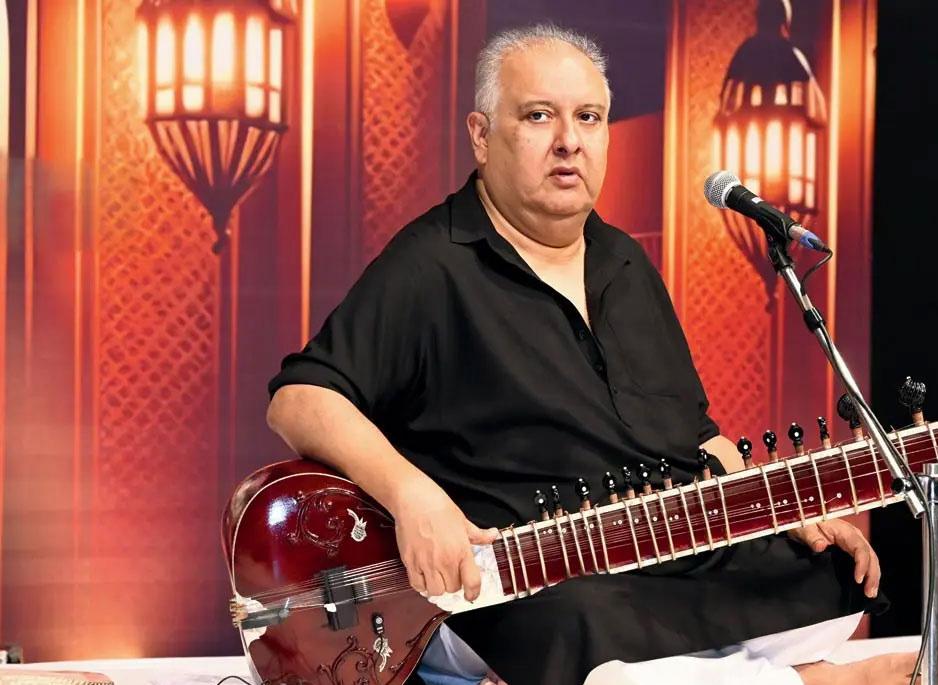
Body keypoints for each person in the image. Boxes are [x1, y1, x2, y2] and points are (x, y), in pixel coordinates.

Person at [266, 24, 914, 685]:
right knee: (584, 628)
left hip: (657, 560)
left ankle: (709, 671)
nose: (569, 140)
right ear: (481, 136)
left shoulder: (627, 265)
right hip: (511, 586)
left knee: (830, 574)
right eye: (538, 115)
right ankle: (824, 680)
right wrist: (412, 495)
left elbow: (697, 438)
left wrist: (785, 509)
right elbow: (301, 398)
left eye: (589, 117)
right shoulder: (432, 263)